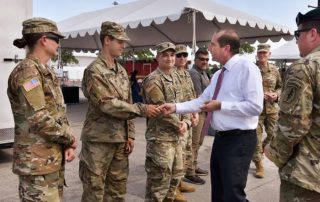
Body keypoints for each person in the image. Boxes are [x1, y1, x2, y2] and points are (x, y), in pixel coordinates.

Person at [160, 29, 263, 202]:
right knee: (219, 192)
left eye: (213, 44)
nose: (209, 48)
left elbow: (255, 107)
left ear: (226, 48)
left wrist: (221, 105)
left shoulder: (247, 69)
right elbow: (201, 101)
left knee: (233, 194)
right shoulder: (218, 74)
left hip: (240, 140)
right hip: (222, 139)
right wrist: (175, 107)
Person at [79, 21, 160, 202]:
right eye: (120, 41)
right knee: (94, 191)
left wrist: (130, 134)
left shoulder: (121, 71)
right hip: (98, 142)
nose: (124, 45)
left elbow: (127, 102)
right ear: (107, 40)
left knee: (117, 191)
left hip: (120, 141)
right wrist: (142, 109)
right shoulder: (94, 71)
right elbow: (107, 104)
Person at [7, 17, 77, 201]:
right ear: (44, 39)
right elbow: (39, 118)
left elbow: (57, 112)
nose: (59, 45)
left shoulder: (45, 71)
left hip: (49, 161)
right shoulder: (28, 72)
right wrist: (69, 137)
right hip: (36, 166)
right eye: (57, 40)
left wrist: (66, 143)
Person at [265, 8, 320, 202]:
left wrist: (274, 153)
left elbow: (294, 126)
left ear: (312, 33)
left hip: (307, 177)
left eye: (298, 34)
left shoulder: (304, 67)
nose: (296, 40)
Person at [141, 42, 191, 202]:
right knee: (159, 185)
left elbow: (184, 103)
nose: (169, 58)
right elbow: (162, 109)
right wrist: (180, 124)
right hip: (160, 140)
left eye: (172, 55)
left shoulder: (176, 76)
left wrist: (187, 121)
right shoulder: (153, 80)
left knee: (175, 178)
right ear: (157, 58)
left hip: (176, 138)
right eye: (165, 55)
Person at [252, 43, 282, 178]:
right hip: (256, 110)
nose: (262, 55)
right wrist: (259, 95)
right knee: (256, 138)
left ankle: (263, 148)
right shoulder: (251, 69)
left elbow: (281, 86)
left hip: (272, 110)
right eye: (260, 53)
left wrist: (276, 95)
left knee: (273, 135)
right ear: (257, 55)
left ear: (269, 54)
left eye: (265, 53)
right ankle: (259, 164)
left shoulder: (275, 70)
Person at [174, 44, 199, 201]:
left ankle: (180, 181)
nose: (182, 58)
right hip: (180, 120)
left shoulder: (186, 74)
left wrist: (195, 112)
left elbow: (192, 95)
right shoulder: (172, 74)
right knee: (178, 155)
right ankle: (174, 187)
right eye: (179, 55)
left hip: (189, 118)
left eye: (184, 55)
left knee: (186, 153)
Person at [185, 48, 210, 185]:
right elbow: (199, 96)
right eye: (202, 59)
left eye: (206, 59)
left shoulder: (203, 72)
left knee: (198, 142)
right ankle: (189, 172)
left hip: (203, 111)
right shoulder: (194, 73)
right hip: (197, 112)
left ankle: (193, 166)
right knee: (193, 143)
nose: (205, 61)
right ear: (195, 60)